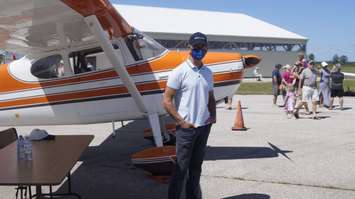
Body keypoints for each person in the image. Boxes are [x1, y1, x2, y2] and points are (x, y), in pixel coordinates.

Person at [163, 32, 216, 199]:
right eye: (196, 47)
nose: (199, 50)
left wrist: (212, 115)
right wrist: (181, 122)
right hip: (186, 130)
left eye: (202, 47)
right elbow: (167, 100)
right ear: (190, 48)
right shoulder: (178, 72)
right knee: (180, 170)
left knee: (196, 169)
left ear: (206, 48)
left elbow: (211, 96)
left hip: (204, 127)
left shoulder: (208, 72)